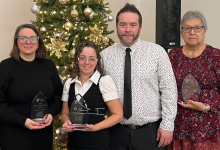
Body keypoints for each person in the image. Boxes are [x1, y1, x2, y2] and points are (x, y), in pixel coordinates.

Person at [100, 3, 178, 150]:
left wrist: (168, 124)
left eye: (133, 25)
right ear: (116, 27)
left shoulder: (157, 52)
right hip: (116, 133)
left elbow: (169, 89)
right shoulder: (104, 56)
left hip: (151, 133)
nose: (127, 30)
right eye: (123, 25)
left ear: (140, 28)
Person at [0, 24, 63, 150]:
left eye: (33, 38)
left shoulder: (49, 66)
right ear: (16, 42)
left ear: (38, 42)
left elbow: (58, 95)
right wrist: (23, 121)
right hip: (14, 135)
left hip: (42, 136)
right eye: (23, 38)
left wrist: (51, 113)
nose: (28, 42)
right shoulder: (5, 67)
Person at [168, 10, 220, 150]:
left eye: (197, 28)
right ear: (181, 32)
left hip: (209, 127)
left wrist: (206, 107)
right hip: (179, 125)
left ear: (205, 31)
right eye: (187, 28)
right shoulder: (172, 56)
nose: (192, 32)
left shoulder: (216, 56)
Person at [61, 41, 123, 150]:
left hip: (98, 143)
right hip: (73, 144)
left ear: (97, 61)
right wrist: (66, 122)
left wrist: (94, 128)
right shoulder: (69, 83)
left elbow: (118, 115)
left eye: (91, 58)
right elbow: (65, 113)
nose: (87, 62)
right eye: (82, 58)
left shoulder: (104, 82)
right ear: (77, 60)